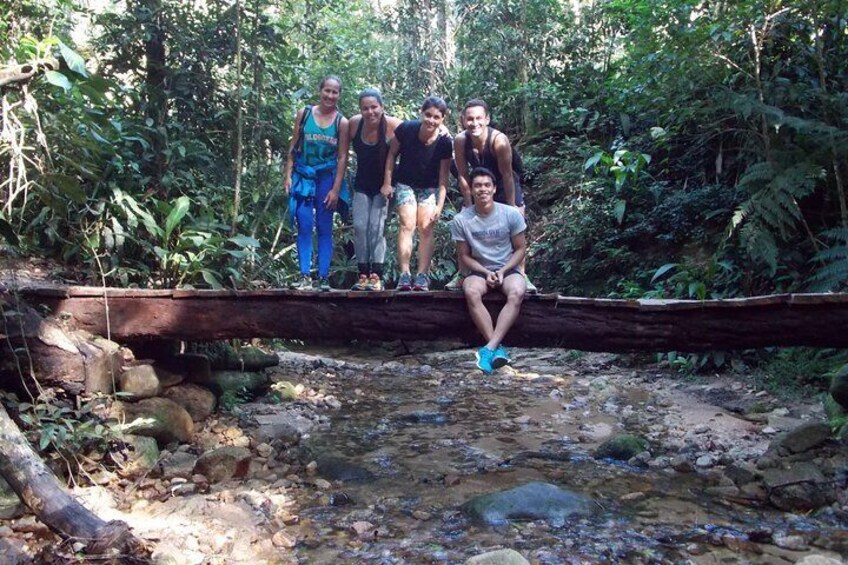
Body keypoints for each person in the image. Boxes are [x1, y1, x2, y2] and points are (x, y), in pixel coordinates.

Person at [451, 98, 537, 293]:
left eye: (479, 118)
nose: (474, 123)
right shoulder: (460, 141)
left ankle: (522, 273)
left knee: (517, 224)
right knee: (465, 223)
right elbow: (463, 176)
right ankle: (464, 272)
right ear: (464, 121)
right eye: (470, 119)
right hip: (480, 182)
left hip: (504, 182)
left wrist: (512, 208)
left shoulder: (499, 141)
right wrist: (467, 205)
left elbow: (507, 175)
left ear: (487, 119)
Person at [451, 167, 527, 374]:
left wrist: (503, 270)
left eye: (486, 185)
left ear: (494, 189)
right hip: (478, 269)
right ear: (471, 190)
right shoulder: (461, 220)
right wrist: (486, 272)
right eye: (477, 185)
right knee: (471, 291)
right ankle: (497, 348)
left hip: (508, 268)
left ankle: (488, 349)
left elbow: (520, 249)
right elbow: (464, 256)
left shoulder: (510, 214)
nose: (482, 189)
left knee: (518, 292)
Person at [284, 75, 350, 291]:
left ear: (339, 95)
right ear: (320, 91)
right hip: (303, 177)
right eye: (327, 91)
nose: (330, 95)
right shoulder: (304, 114)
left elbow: (342, 157)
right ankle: (304, 275)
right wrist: (288, 175)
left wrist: (335, 189)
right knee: (303, 226)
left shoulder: (342, 122)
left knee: (324, 227)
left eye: (335, 92)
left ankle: (323, 277)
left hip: (326, 178)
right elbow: (293, 146)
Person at [381, 96, 453, 291]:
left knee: (426, 227)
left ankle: (422, 276)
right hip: (405, 182)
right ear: (422, 113)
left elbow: (443, 176)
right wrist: (387, 183)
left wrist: (439, 205)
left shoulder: (445, 142)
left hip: (429, 187)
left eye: (436, 117)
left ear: (442, 119)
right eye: (428, 115)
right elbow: (391, 155)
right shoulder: (407, 129)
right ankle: (404, 274)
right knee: (407, 223)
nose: (431, 120)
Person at [348, 88, 402, 291]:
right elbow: (341, 151)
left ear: (382, 107)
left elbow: (417, 132)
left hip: (385, 186)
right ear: (360, 110)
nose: (370, 112)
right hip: (362, 183)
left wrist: (441, 130)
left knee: (376, 229)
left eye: (374, 107)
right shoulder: (354, 124)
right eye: (365, 108)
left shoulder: (394, 125)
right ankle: (362, 275)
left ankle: (376, 276)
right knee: (360, 227)